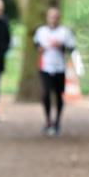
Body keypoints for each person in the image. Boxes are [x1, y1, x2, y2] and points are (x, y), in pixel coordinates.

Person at [33, 7, 76, 136]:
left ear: (59, 18)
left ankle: (57, 122)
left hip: (60, 67)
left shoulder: (65, 32)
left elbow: (72, 48)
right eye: (51, 16)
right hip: (45, 67)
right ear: (47, 18)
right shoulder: (41, 31)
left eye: (56, 17)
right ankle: (47, 120)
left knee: (59, 95)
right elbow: (36, 45)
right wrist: (41, 49)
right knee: (46, 93)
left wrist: (61, 46)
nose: (53, 19)